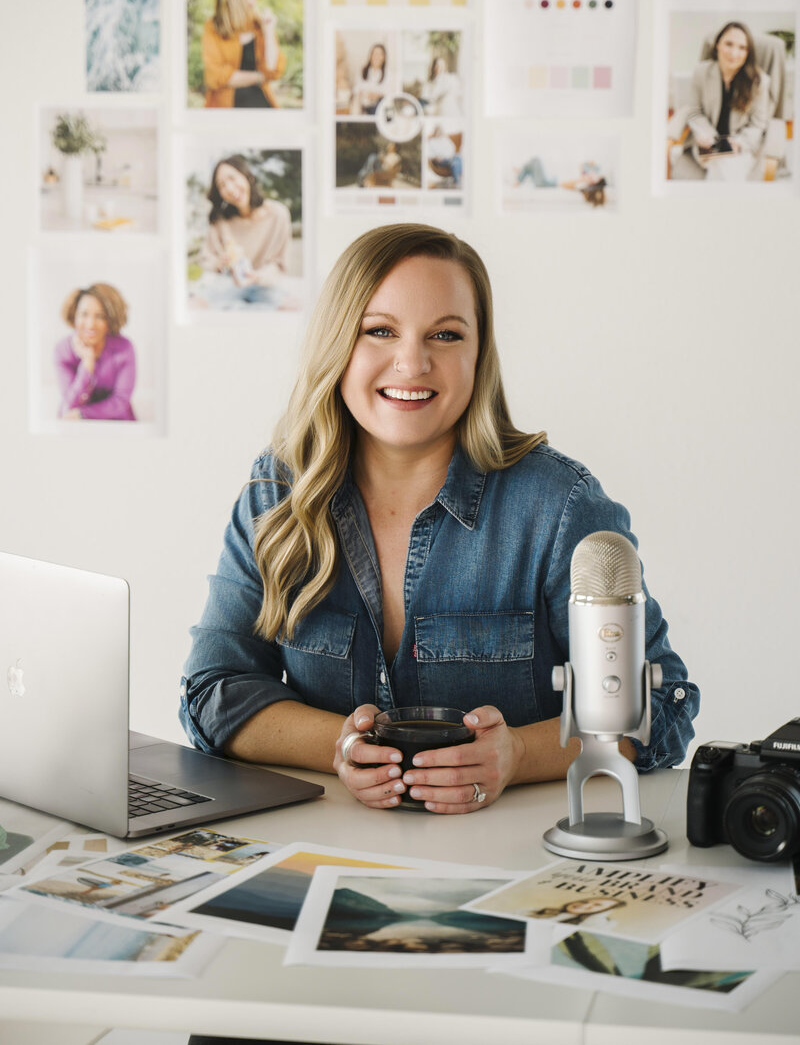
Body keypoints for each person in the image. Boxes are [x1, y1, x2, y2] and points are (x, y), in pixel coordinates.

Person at [180, 222, 699, 817]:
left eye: (446, 335)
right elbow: (214, 689)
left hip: (520, 863)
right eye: (380, 331)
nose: (412, 362)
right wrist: (341, 747)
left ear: (479, 354)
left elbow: (663, 704)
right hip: (327, 856)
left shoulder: (560, 505)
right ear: (337, 346)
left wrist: (517, 757)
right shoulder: (276, 492)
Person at [671, 21, 770, 182]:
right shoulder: (701, 72)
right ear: (717, 44)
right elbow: (694, 111)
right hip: (707, 141)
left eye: (742, 47)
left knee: (725, 167)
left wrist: (736, 144)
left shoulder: (759, 81)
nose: (734, 52)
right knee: (724, 167)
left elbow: (758, 124)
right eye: (728, 44)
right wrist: (709, 138)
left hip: (739, 146)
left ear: (748, 52)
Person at [198, 155, 293, 308]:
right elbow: (206, 259)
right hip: (229, 286)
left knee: (294, 306)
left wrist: (257, 277)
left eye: (232, 178)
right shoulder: (220, 221)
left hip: (265, 286)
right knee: (194, 303)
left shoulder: (278, 214)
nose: (229, 188)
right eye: (222, 185)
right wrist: (219, 263)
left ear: (248, 177)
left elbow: (279, 265)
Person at [201, 0, 285, 109]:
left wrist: (269, 31)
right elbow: (215, 76)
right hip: (226, 111)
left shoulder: (260, 24)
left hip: (262, 107)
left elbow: (272, 70)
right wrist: (259, 77)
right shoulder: (213, 27)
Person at [55, 283, 136, 420]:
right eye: (84, 314)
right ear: (74, 314)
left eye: (100, 316)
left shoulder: (124, 348)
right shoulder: (63, 351)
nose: (91, 324)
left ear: (110, 320)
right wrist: (87, 365)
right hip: (78, 430)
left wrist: (83, 414)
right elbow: (68, 407)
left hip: (119, 426)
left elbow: (120, 402)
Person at [351, 43, 387, 115]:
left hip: (378, 106)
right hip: (363, 103)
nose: (377, 57)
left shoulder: (388, 74)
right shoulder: (362, 71)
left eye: (380, 54)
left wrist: (378, 95)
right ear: (371, 56)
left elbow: (388, 92)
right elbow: (356, 89)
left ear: (384, 57)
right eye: (374, 54)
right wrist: (366, 94)